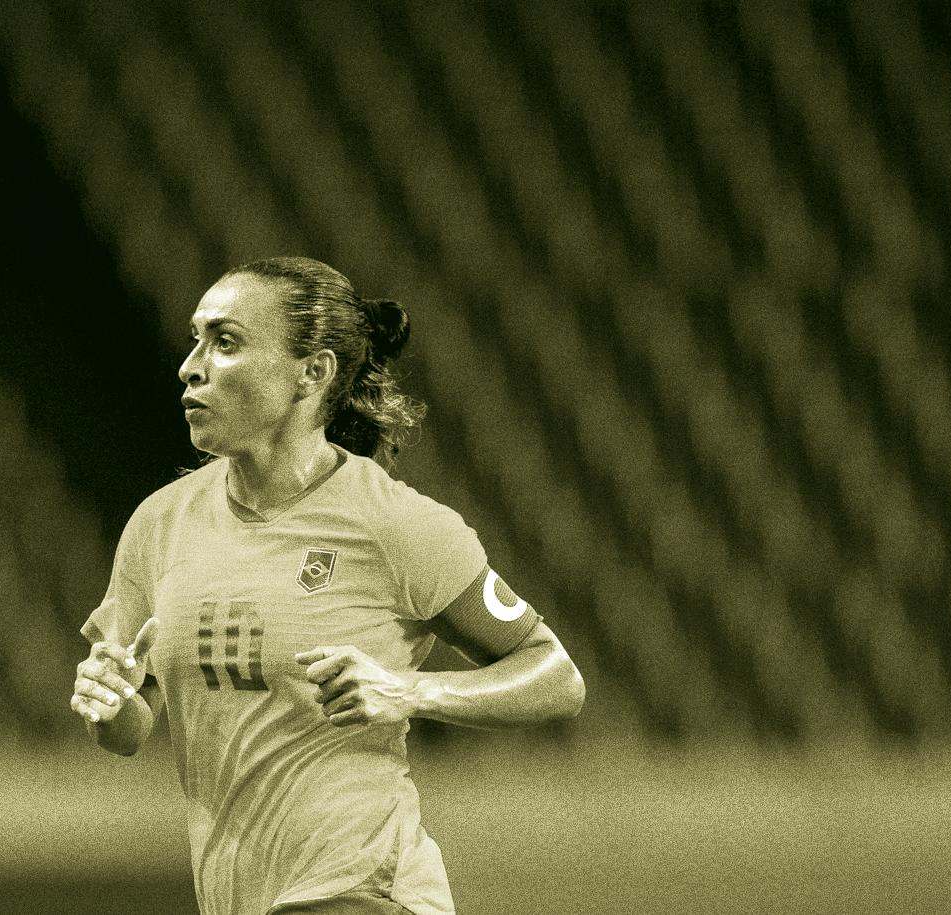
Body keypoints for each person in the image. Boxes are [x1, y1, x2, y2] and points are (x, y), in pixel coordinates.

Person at [70, 256, 585, 915]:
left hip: (364, 889)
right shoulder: (160, 522)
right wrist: (110, 702)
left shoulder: (397, 524)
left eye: (225, 342)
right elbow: (129, 729)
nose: (190, 366)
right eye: (195, 340)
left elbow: (556, 677)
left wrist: (409, 690)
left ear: (312, 373)